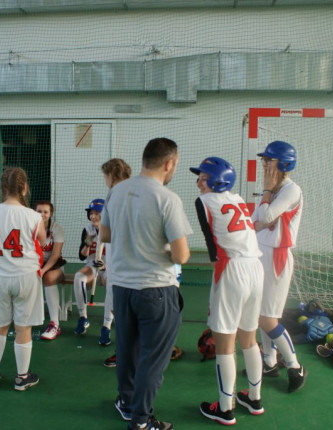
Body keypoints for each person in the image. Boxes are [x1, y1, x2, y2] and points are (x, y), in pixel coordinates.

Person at [100, 137, 192, 430]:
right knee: (152, 359)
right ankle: (141, 421)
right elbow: (182, 255)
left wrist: (135, 242)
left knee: (127, 350)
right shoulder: (167, 198)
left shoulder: (116, 192)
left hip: (123, 289)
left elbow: (104, 235)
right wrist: (154, 246)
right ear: (169, 163)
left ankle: (127, 403)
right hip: (156, 290)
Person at [190, 157, 265, 426]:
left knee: (225, 343)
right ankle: (254, 398)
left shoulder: (204, 201)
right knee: (249, 338)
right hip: (256, 267)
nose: (199, 182)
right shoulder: (238, 198)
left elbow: (212, 246)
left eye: (203, 177)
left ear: (217, 180)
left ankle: (225, 408)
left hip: (232, 269)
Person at [0, 167, 46, 391]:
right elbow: (42, 240)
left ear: (2, 188)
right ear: (24, 188)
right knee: (23, 327)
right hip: (25, 276)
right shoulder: (34, 216)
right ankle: (21, 377)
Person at [251, 140, 307, 393]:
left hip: (277, 257)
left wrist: (266, 194)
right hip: (260, 253)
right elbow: (255, 222)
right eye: (264, 159)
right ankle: (270, 362)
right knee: (261, 315)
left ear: (283, 164)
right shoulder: (272, 190)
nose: (264, 163)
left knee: (268, 318)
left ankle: (295, 366)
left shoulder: (290, 190)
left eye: (269, 160)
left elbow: (265, 217)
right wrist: (266, 207)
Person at [99, 158, 132, 366]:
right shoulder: (140, 192)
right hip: (130, 263)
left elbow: (105, 234)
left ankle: (125, 353)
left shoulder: (114, 196)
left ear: (110, 176)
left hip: (120, 264)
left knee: (120, 311)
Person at [73, 198, 107, 336]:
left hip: (110, 267)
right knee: (79, 277)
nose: (93, 216)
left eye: (97, 213)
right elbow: (82, 256)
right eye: (91, 213)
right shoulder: (88, 229)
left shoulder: (113, 229)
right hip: (93, 266)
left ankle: (108, 323)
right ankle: (83, 317)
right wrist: (87, 243)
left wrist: (105, 265)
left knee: (113, 283)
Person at [36, 200, 66, 341]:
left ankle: (55, 324)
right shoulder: (31, 227)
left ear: (51, 214)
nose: (42, 214)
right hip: (36, 263)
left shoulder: (57, 228)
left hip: (54, 265)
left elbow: (54, 256)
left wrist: (42, 271)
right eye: (39, 211)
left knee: (48, 278)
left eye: (45, 212)